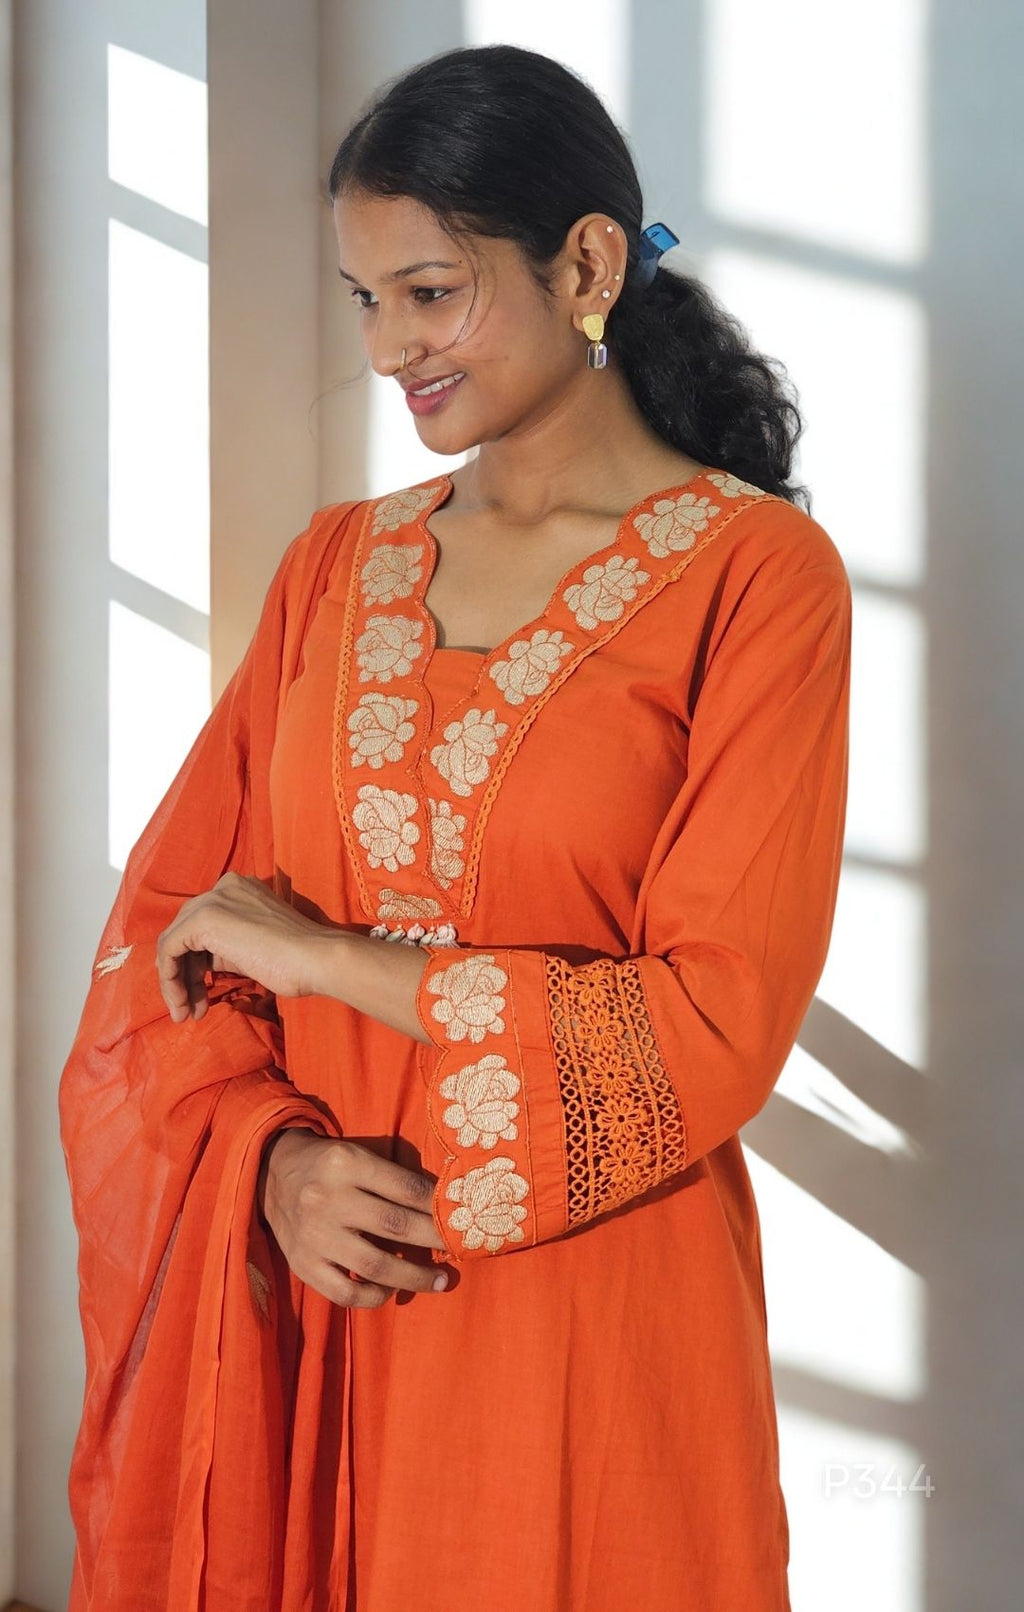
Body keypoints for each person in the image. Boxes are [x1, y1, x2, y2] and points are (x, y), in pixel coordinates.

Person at [59, 41, 851, 1612]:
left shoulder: (759, 583)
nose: (387, 348)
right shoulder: (334, 569)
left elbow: (717, 1021)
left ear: (589, 267)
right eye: (366, 300)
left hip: (599, 1334)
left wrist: (333, 962)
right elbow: (173, 941)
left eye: (430, 293)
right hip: (333, 1312)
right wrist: (276, 1166)